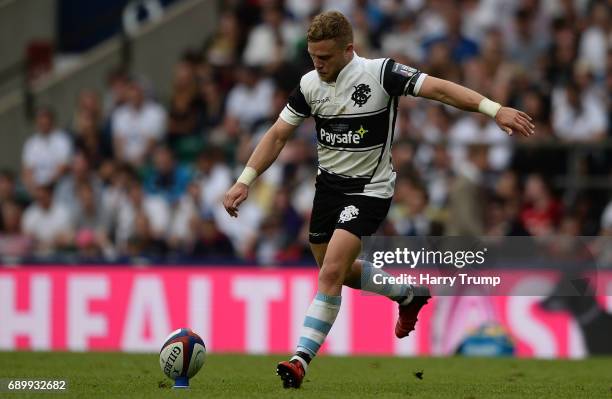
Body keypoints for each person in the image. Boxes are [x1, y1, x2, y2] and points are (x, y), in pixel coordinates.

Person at [222, 11, 534, 389]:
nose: (317, 64)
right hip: (328, 189)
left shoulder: (380, 73)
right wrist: (245, 180)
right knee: (334, 270)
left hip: (370, 189)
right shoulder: (309, 85)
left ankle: (299, 360)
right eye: (312, 56)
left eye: (324, 57)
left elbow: (439, 89)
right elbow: (276, 136)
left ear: (348, 49)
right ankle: (409, 294)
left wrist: (493, 108)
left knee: (332, 270)